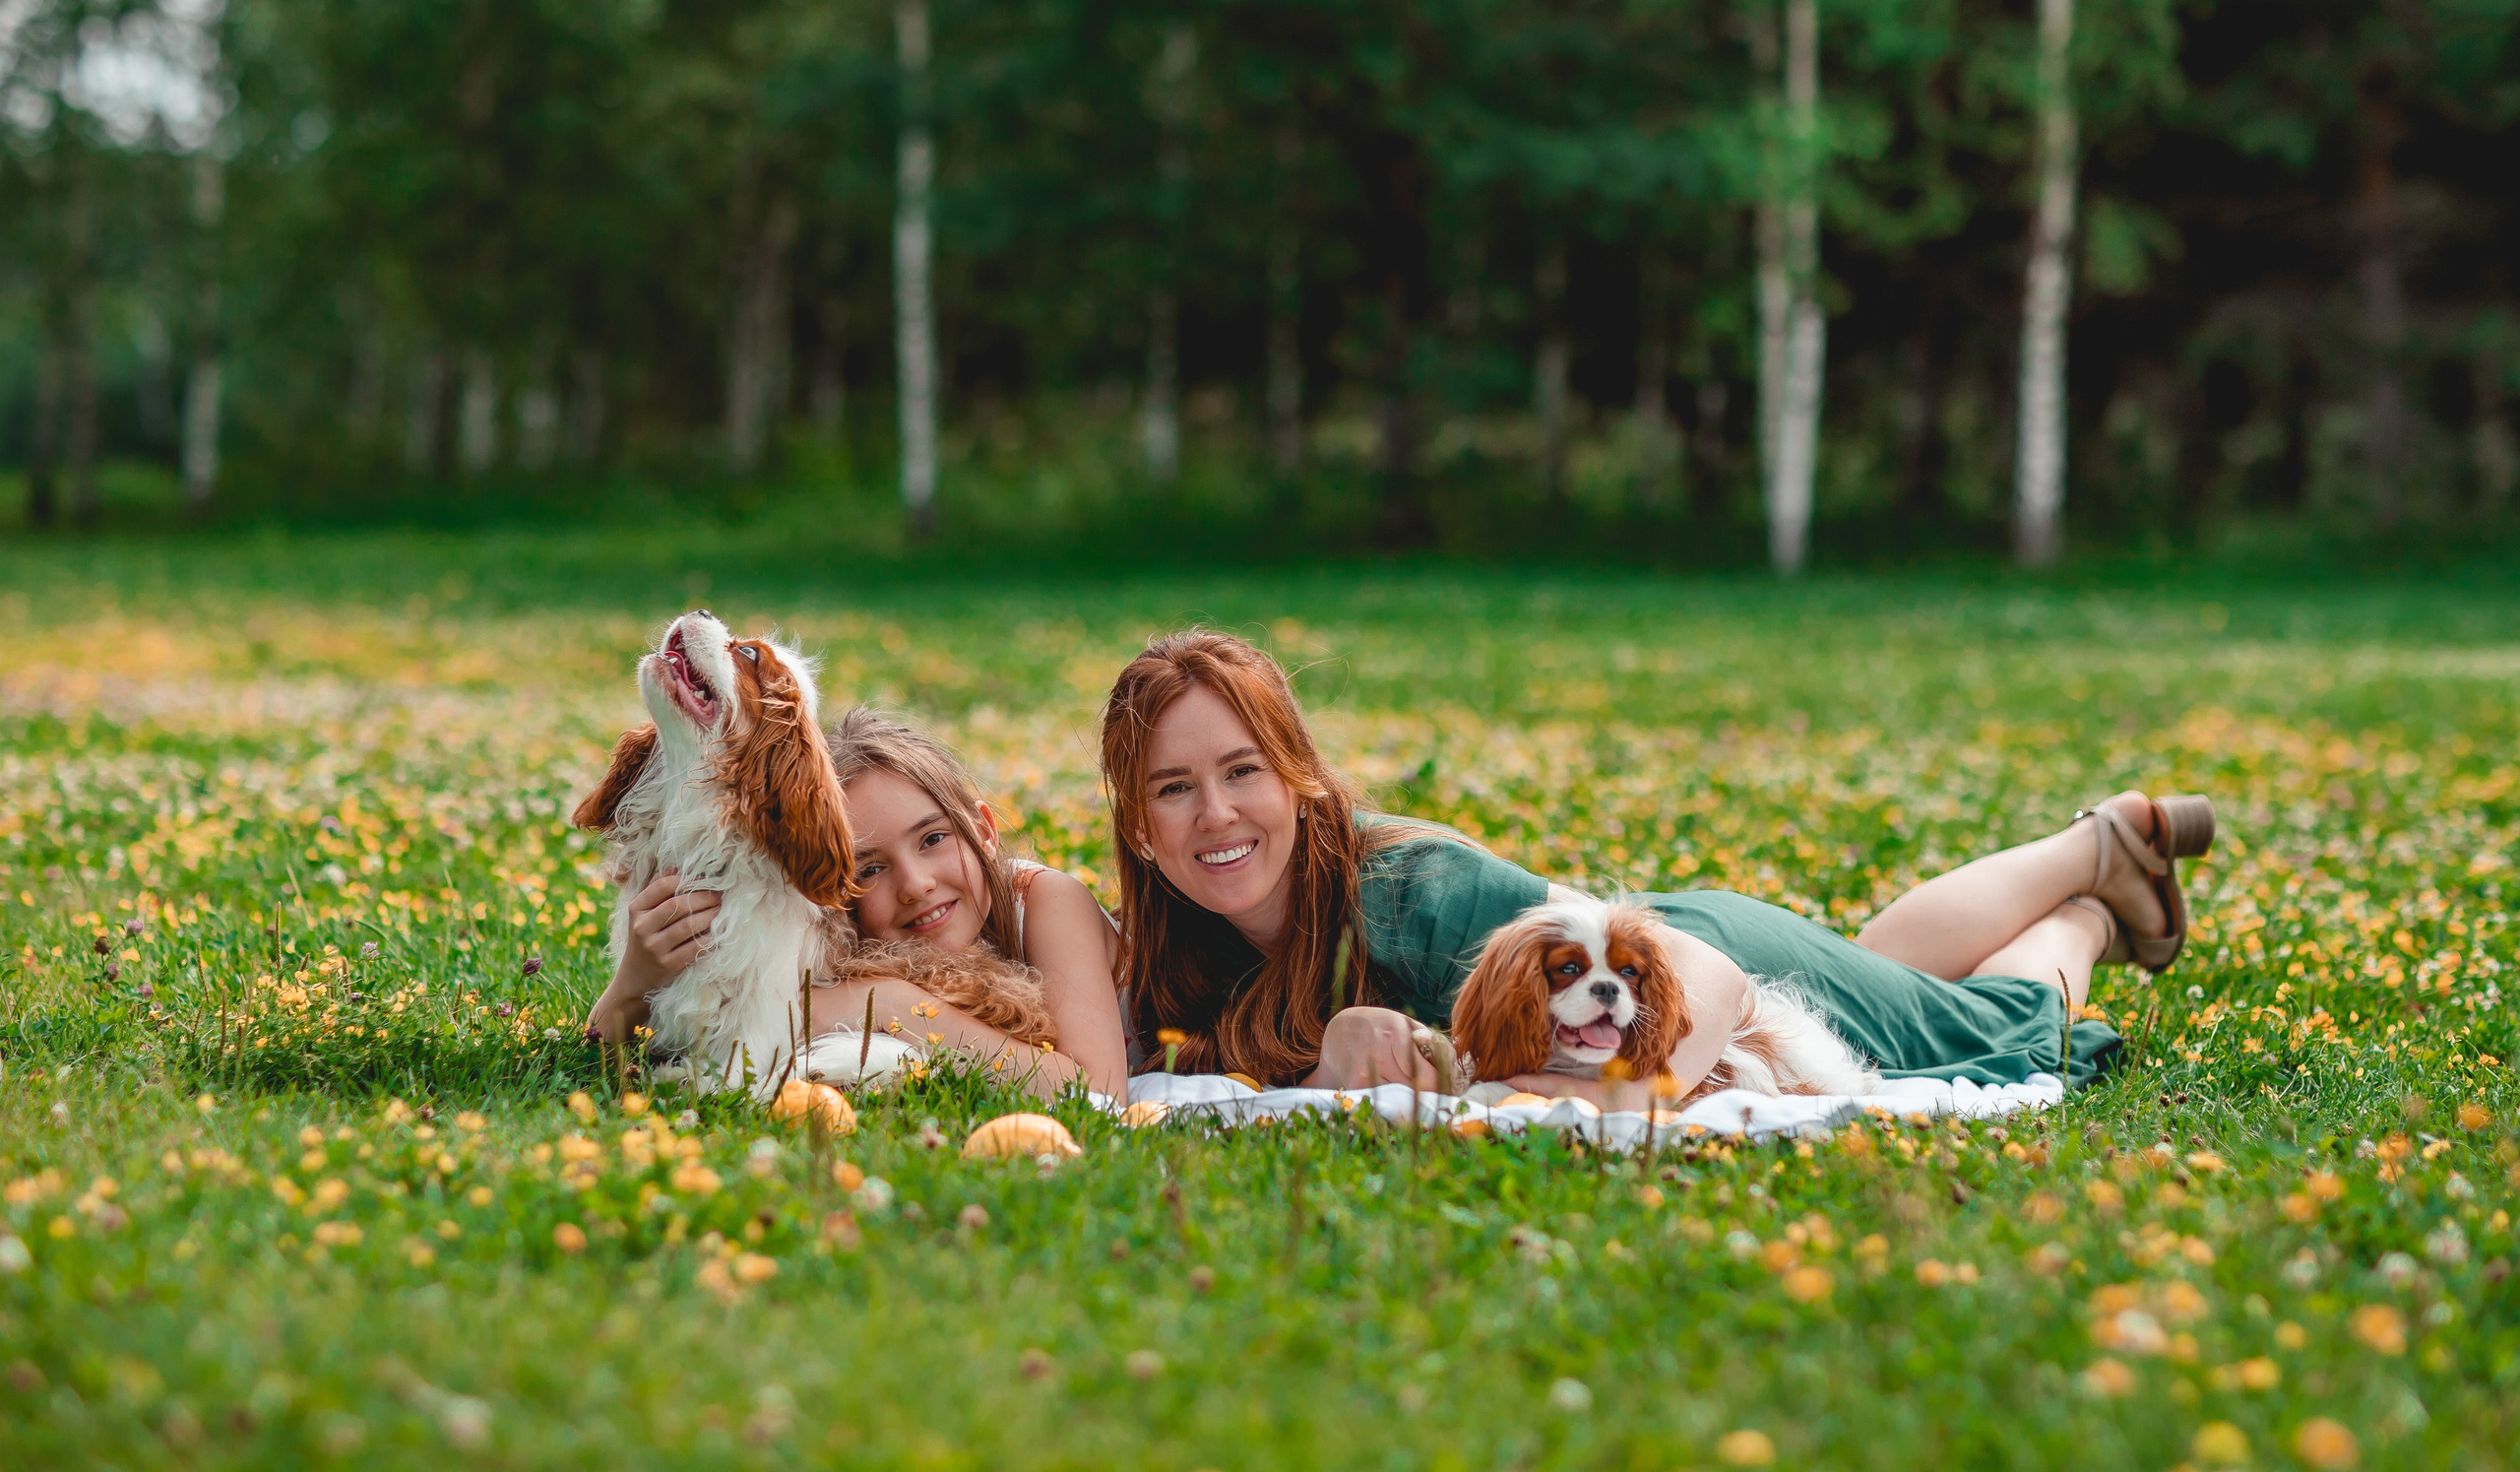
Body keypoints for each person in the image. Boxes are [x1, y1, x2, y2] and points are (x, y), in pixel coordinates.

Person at [1102, 629, 2210, 1107]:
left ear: (1299, 777)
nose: (1215, 815)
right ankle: (2102, 855)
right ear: (1138, 827)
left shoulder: (1409, 891)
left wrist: (1619, 1100)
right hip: (1689, 951)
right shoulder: (1180, 948)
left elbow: (1714, 993)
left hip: (1703, 975)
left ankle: (2089, 900)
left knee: (1980, 1027)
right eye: (1173, 788)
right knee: (1881, 970)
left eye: (1242, 771)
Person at [588, 708, 1130, 1099]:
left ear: (984, 831)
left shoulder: (1046, 902)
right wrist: (638, 979)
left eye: (933, 839)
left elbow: (1098, 1093)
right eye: (869, 868)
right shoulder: (853, 944)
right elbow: (607, 1048)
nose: (916, 884)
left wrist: (893, 1008)